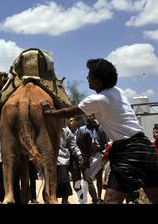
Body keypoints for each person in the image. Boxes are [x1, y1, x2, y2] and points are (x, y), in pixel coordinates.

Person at [43, 58, 158, 204]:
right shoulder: (118, 92)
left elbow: (69, 111)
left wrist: (49, 112)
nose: (86, 78)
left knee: (111, 200)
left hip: (128, 150)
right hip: (145, 147)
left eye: (89, 75)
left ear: (98, 82)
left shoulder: (98, 99)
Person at [57, 124, 82, 204]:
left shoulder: (65, 129)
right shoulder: (46, 125)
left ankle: (65, 201)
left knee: (64, 179)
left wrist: (79, 154)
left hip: (61, 158)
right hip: (48, 158)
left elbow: (72, 143)